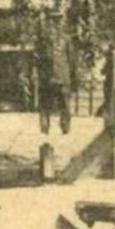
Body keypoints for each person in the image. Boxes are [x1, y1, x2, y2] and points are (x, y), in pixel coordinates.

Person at [35, 8, 73, 136]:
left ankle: (65, 127)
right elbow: (38, 58)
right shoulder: (43, 40)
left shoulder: (66, 39)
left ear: (62, 22)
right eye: (54, 20)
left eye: (59, 20)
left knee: (65, 104)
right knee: (45, 104)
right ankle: (45, 128)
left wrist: (71, 76)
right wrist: (40, 75)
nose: (56, 23)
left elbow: (71, 59)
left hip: (62, 76)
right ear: (50, 22)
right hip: (48, 77)